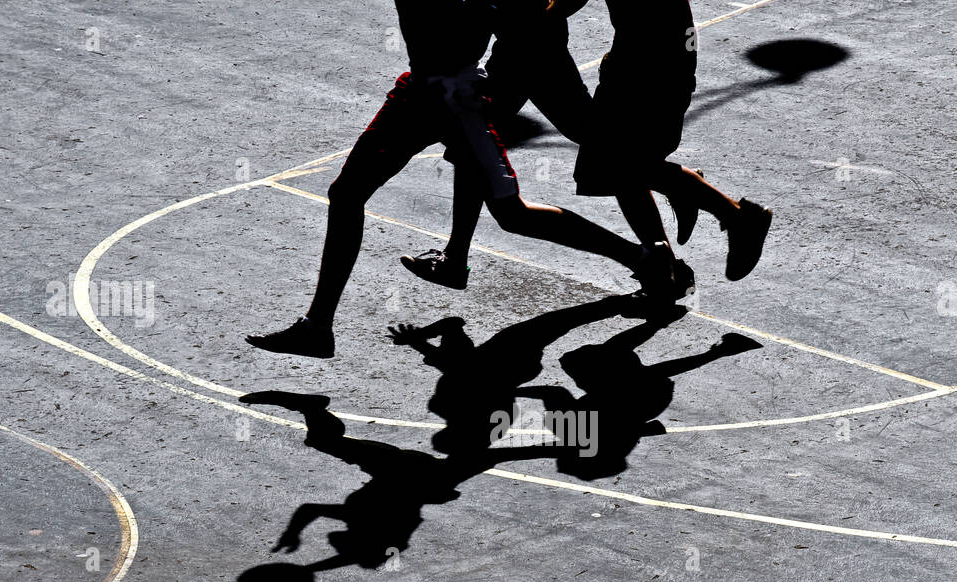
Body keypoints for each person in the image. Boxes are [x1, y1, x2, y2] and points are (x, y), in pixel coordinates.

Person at [247, 0, 670, 360]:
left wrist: (535, 22)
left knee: (512, 213)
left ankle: (642, 258)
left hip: (460, 102)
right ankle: (319, 325)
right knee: (347, 193)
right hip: (421, 95)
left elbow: (525, 20)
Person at [401, 0, 772, 296]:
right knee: (607, 155)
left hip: (636, 63)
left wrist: (511, 15)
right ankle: (675, 230)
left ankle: (711, 215)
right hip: (615, 55)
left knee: (609, 163)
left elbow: (563, 3)